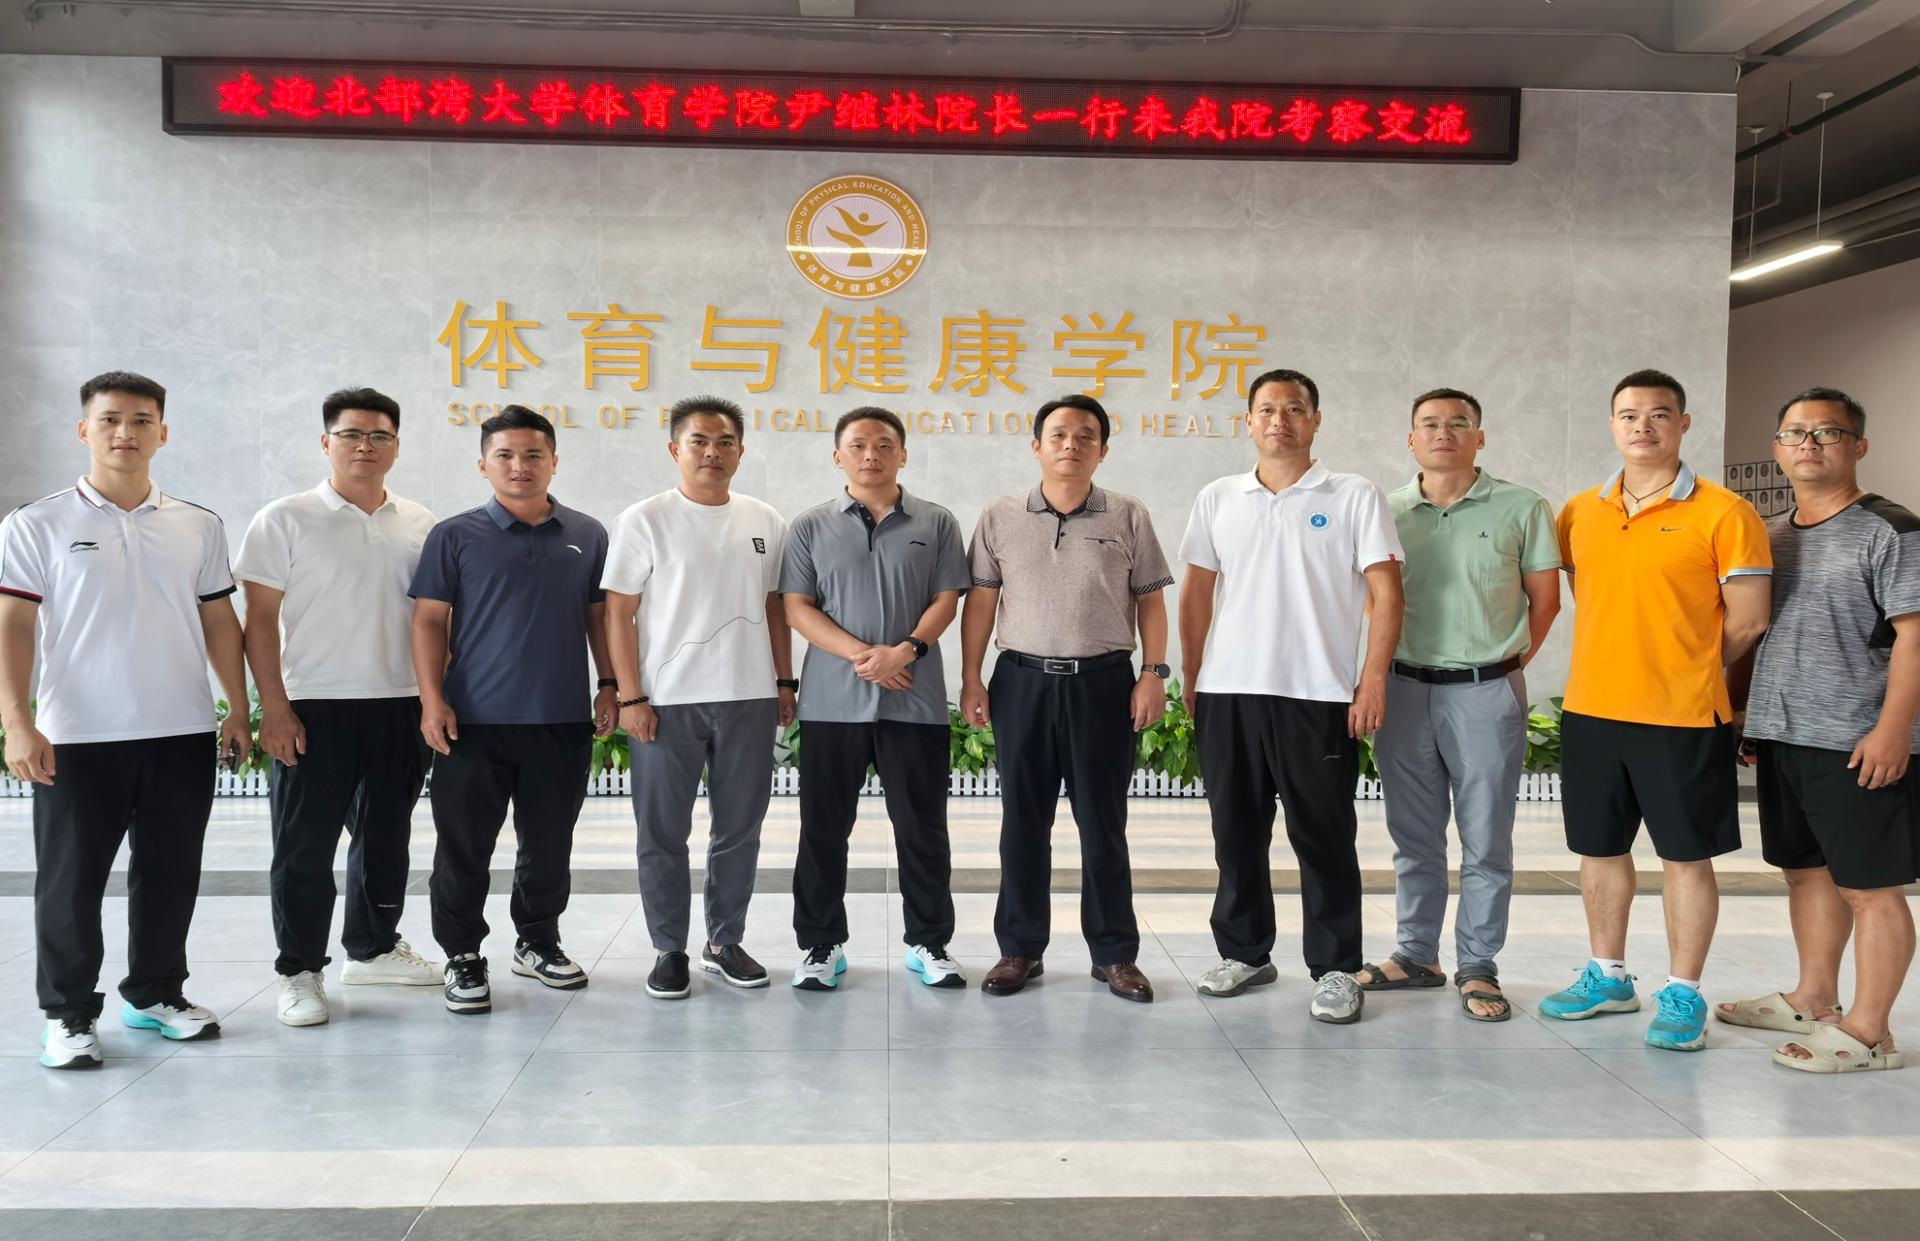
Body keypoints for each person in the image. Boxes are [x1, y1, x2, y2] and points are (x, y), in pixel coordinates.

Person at [2, 371, 252, 1069]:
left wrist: (237, 706)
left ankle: (155, 993)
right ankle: (69, 1013)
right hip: (79, 734)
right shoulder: (36, 523)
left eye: (142, 420)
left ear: (162, 433)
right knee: (70, 881)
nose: (125, 432)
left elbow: (219, 621)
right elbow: (12, 625)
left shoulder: (197, 524)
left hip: (181, 730)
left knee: (171, 872)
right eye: (110, 419)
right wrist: (17, 720)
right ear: (84, 429)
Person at [1540, 369, 1771, 1052]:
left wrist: (1685, 664)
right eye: (1629, 414)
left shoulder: (1726, 513)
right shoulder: (1579, 512)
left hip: (1682, 715)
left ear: (1683, 424)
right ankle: (1608, 976)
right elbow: (1592, 594)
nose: (1643, 426)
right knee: (1599, 849)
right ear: (1613, 424)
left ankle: (1683, 990)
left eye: (1659, 414)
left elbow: (1750, 620)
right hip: (1592, 709)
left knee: (1685, 857)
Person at [1177, 369, 1404, 1024]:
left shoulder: (1354, 494)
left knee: (1324, 835)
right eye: (1267, 409)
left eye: (1295, 408)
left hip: (1317, 694)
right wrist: (1192, 673)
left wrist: (1372, 678)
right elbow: (1196, 591)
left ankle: (1336, 967)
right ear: (1248, 421)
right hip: (1228, 691)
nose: (1280, 420)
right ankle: (1244, 951)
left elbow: (1387, 593)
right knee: (1235, 833)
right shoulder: (1219, 497)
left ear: (1315, 419)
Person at [1718, 387, 1917, 1074]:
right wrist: (1743, 713)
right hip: (1783, 733)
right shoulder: (1769, 533)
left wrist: (1894, 730)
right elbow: (1756, 633)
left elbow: (1916, 639)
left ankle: (1870, 1032)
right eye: (1795, 433)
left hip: (1857, 738)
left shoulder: (1892, 529)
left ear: (1858, 446)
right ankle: (1812, 996)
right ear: (1777, 448)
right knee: (1805, 875)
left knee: (1870, 887)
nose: (1809, 444)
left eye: (1827, 432)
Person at [235, 387, 441, 1028]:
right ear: (326, 443)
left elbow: (436, 621)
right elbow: (258, 622)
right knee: (304, 848)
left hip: (400, 705)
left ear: (396, 446)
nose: (365, 446)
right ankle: (298, 971)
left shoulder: (421, 523)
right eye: (351, 434)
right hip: (313, 706)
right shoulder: (284, 519)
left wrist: (434, 700)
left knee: (386, 839)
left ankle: (372, 948)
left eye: (379, 436)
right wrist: (273, 707)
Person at [960, 394, 1174, 1003]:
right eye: (1058, 434)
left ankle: (1114, 954)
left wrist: (1153, 673)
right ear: (1036, 446)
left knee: (1103, 825)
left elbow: (1151, 600)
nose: (1070, 445)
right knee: (1022, 822)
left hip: (1103, 684)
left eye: (1085, 436)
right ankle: (1019, 948)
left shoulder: (1128, 514)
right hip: (1020, 681)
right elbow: (981, 602)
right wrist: (972, 677)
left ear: (1103, 450)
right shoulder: (1000, 515)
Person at [1358, 388, 1560, 1022]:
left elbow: (1546, 600)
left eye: (1458, 423)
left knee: (1486, 839)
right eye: (1429, 424)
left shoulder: (1522, 506)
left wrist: (1502, 665)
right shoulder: (1384, 510)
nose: (1443, 433)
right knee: (1413, 837)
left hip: (1486, 691)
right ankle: (1416, 954)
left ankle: (1478, 965)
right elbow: (1370, 600)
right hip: (1403, 689)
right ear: (1410, 439)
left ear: (1480, 436)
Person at [410, 405, 616, 1015]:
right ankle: (462, 953)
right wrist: (431, 699)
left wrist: (609, 684)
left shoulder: (588, 534)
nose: (519, 465)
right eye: (504, 454)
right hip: (472, 720)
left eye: (533, 455)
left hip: (560, 718)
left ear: (554, 462)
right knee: (463, 846)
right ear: (483, 465)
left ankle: (537, 941)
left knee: (549, 844)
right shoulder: (454, 535)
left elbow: (599, 618)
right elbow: (428, 620)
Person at [604, 395, 794, 1001]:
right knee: (662, 831)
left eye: (725, 442)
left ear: (741, 451)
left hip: (748, 696)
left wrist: (784, 682)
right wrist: (630, 697)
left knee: (740, 828)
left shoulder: (765, 519)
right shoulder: (645, 519)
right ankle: (668, 949)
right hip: (666, 701)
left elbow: (776, 609)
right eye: (699, 441)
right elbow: (618, 613)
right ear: (675, 449)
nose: (713, 452)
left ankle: (724, 941)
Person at [781, 407, 971, 990]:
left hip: (914, 701)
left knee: (922, 828)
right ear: (837, 456)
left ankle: (929, 943)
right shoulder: (810, 526)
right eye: (858, 444)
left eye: (884, 444)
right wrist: (869, 657)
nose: (871, 455)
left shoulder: (936, 521)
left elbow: (947, 598)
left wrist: (905, 651)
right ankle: (820, 946)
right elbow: (797, 608)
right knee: (822, 829)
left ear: (903, 454)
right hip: (830, 703)